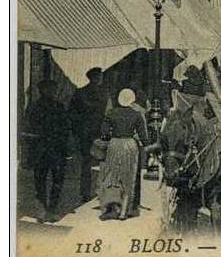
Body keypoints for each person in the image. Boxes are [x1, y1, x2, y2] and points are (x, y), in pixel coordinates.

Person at [97, 89, 149, 220]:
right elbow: (143, 136)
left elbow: (103, 132)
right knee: (128, 176)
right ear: (132, 99)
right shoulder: (136, 114)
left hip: (114, 144)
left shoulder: (111, 113)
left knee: (112, 176)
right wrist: (147, 146)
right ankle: (124, 211)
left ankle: (112, 207)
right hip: (130, 145)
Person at [24, 80, 71, 222]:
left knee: (50, 180)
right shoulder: (38, 107)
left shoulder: (55, 106)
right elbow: (29, 128)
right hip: (46, 149)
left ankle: (48, 209)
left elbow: (65, 128)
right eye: (49, 89)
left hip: (50, 149)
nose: (52, 91)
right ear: (42, 90)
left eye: (53, 88)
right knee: (45, 180)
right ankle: (46, 209)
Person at [68, 67, 109, 203]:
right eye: (100, 76)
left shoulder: (80, 93)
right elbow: (108, 114)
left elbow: (71, 114)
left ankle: (85, 192)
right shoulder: (104, 94)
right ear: (96, 78)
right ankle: (100, 191)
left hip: (83, 133)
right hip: (99, 132)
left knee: (86, 163)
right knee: (102, 162)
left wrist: (76, 131)